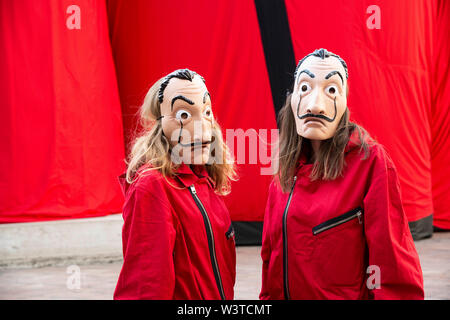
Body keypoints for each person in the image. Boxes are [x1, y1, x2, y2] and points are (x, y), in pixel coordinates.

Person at [260, 49, 424, 300]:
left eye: (331, 90)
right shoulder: (284, 171)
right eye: (305, 88)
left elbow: (392, 262)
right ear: (292, 99)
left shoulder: (370, 163)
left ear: (345, 101)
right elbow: (270, 260)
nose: (315, 105)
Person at [114, 68, 236, 299]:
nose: (201, 128)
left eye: (207, 111)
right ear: (161, 125)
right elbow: (146, 285)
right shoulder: (153, 187)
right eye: (184, 115)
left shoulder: (205, 180)